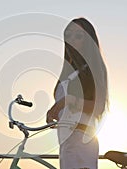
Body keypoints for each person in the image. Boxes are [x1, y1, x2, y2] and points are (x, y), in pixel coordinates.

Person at [46, 18, 109, 169]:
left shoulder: (92, 69)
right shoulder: (69, 72)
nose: (71, 39)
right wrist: (55, 112)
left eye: (78, 36)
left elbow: (98, 107)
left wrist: (68, 101)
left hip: (82, 142)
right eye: (68, 35)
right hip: (67, 142)